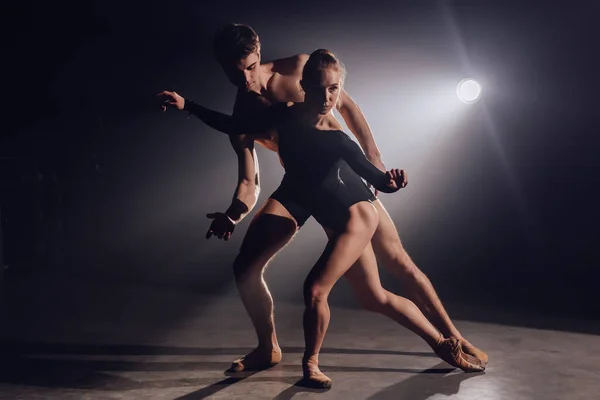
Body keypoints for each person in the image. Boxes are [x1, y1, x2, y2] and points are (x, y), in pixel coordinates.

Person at [158, 23, 487, 374]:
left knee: (393, 269)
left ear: (259, 53)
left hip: (342, 183)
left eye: (251, 67)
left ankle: (453, 337)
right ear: (223, 67)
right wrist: (233, 215)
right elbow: (248, 180)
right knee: (245, 266)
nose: (245, 78)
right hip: (298, 189)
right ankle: (267, 348)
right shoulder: (247, 114)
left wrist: (376, 164)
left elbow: (348, 106)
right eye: (234, 72)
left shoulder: (302, 67)